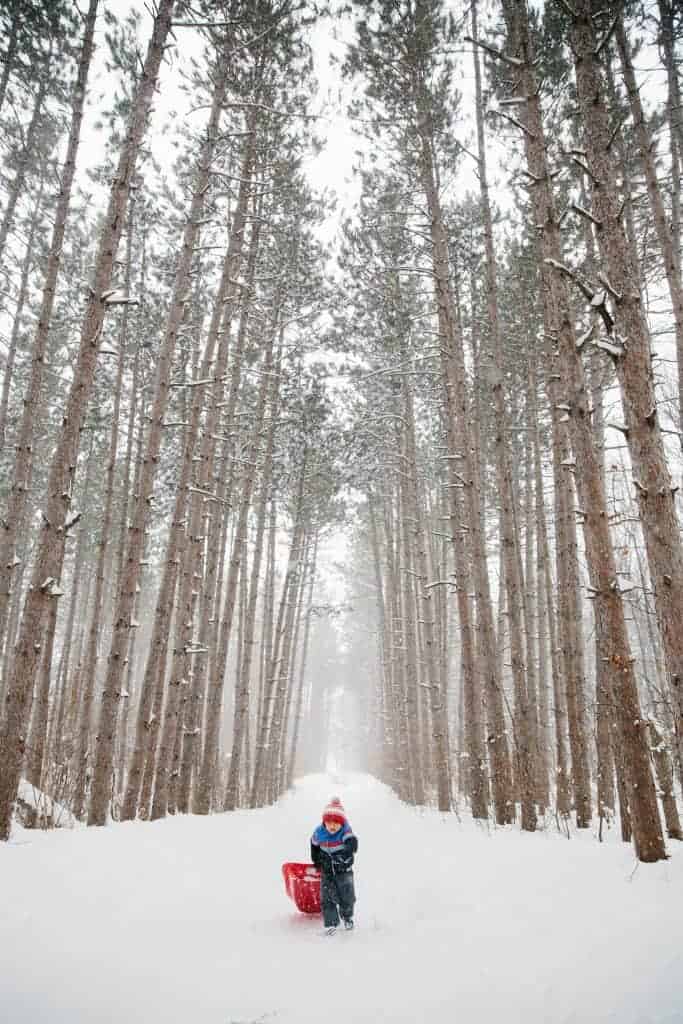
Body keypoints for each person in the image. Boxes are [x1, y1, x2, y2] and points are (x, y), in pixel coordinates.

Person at [310, 797, 358, 935]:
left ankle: (347, 916)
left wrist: (350, 847)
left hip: (343, 869)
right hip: (327, 870)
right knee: (327, 897)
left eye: (336, 823)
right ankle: (331, 923)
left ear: (341, 823)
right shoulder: (319, 832)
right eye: (329, 822)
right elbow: (313, 844)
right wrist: (316, 858)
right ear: (324, 822)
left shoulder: (345, 831)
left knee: (347, 897)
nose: (332, 826)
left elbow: (351, 841)